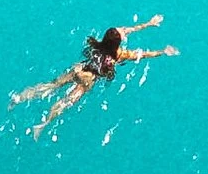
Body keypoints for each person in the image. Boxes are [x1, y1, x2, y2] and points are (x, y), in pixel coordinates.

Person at [12, 17, 176, 136]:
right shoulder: (119, 54)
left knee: (52, 85)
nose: (124, 31)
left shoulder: (97, 44)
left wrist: (149, 23)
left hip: (79, 69)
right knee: (65, 102)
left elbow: (125, 30)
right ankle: (44, 124)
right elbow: (144, 54)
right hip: (88, 80)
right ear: (117, 43)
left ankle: (20, 97)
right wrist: (162, 51)